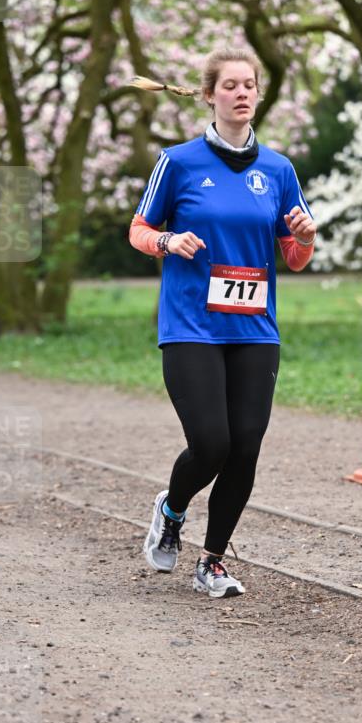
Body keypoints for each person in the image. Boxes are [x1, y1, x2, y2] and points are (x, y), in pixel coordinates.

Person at [129, 47, 316, 598]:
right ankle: (171, 509)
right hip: (191, 326)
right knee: (211, 443)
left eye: (249, 85)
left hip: (255, 328)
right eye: (230, 85)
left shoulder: (279, 170)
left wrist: (304, 238)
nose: (241, 93)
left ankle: (211, 563)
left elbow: (295, 255)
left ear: (258, 96)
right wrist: (167, 241)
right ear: (209, 95)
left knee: (246, 447)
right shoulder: (179, 162)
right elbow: (139, 229)